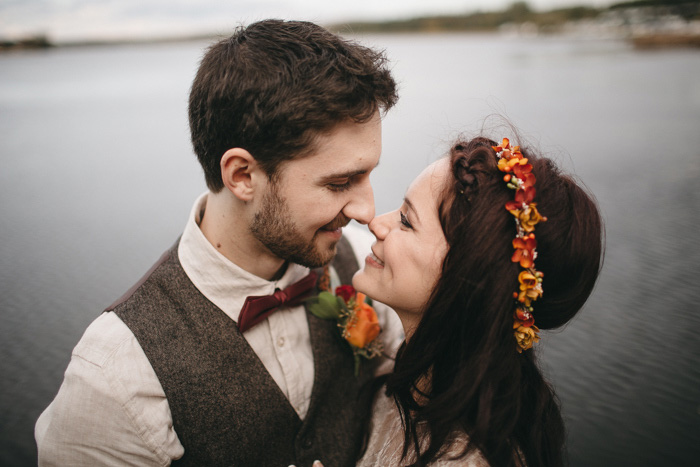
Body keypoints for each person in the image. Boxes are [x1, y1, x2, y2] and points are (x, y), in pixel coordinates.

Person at [35, 19, 402, 466]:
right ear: (243, 176)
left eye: (368, 174)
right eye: (341, 182)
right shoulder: (113, 376)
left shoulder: (364, 259)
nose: (366, 210)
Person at [352, 136, 604, 466]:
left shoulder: (463, 459)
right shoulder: (412, 378)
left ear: (469, 274)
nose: (375, 222)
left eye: (406, 220)